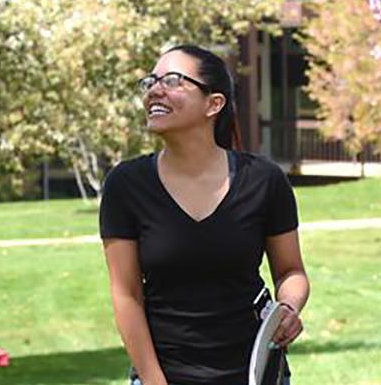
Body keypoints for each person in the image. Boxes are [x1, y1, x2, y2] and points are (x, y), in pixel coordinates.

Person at [99, 45, 310, 384]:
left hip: (254, 374)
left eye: (172, 81)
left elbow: (291, 271)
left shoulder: (264, 180)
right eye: (151, 81)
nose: (154, 89)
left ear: (214, 103)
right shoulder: (126, 185)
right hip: (165, 375)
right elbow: (126, 296)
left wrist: (288, 307)